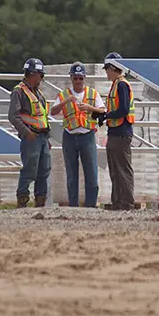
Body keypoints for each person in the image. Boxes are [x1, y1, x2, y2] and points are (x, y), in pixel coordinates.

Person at [50, 62, 105, 208]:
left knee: (91, 174)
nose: (78, 81)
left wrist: (89, 108)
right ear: (71, 78)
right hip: (69, 136)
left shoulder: (93, 94)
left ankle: (91, 205)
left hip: (87, 135)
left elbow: (102, 111)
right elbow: (53, 111)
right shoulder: (64, 94)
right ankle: (73, 206)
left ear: (85, 78)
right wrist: (65, 102)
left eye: (80, 78)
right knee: (71, 174)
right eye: (75, 78)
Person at [7, 57, 51, 208]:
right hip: (31, 137)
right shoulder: (19, 91)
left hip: (43, 137)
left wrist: (48, 138)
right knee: (29, 169)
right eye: (41, 75)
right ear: (33, 74)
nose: (42, 78)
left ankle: (40, 201)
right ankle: (23, 199)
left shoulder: (38, 93)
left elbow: (42, 116)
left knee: (44, 169)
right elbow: (13, 115)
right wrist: (26, 132)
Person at [101, 52, 136, 210]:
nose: (106, 72)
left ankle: (127, 202)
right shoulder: (116, 84)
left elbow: (123, 109)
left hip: (121, 133)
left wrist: (106, 115)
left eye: (107, 69)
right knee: (115, 169)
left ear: (112, 68)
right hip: (115, 132)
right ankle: (117, 201)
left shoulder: (121, 84)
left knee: (123, 169)